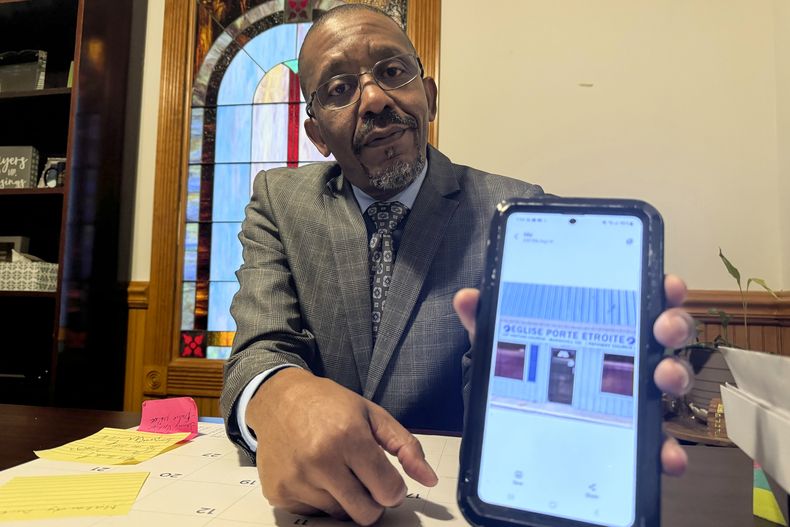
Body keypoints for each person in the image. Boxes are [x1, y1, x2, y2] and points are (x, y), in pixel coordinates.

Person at [220, 4, 696, 525]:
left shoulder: (515, 212)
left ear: (428, 96)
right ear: (317, 135)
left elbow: (503, 399)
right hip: (311, 504)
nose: (375, 99)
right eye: (339, 89)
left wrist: (574, 400)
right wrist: (279, 395)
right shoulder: (278, 201)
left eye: (393, 72)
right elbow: (260, 347)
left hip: (451, 504)